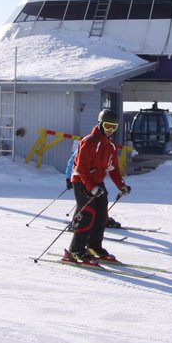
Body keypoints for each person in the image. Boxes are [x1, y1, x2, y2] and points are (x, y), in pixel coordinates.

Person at [64, 109, 131, 265]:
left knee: (101, 215)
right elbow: (81, 168)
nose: (110, 130)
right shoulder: (89, 141)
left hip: (97, 181)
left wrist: (122, 186)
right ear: (100, 124)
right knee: (87, 214)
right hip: (81, 180)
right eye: (107, 126)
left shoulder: (110, 147)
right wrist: (91, 187)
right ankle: (76, 250)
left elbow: (114, 170)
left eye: (113, 127)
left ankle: (94, 247)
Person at [65, 143, 122, 229]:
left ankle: (103, 219)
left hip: (94, 179)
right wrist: (68, 178)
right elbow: (72, 163)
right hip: (81, 178)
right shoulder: (86, 147)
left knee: (102, 197)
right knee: (85, 201)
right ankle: (76, 223)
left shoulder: (105, 148)